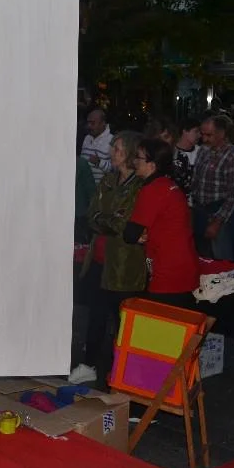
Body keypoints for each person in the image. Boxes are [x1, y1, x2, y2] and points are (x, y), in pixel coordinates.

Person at [70, 131, 146, 386]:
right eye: (113, 148)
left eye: (118, 149)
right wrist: (107, 221)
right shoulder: (109, 180)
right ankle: (89, 365)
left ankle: (123, 371)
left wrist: (106, 221)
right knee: (96, 317)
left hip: (123, 264)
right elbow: (92, 214)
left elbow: (124, 224)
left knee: (122, 319)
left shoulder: (138, 186)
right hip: (99, 259)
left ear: (131, 154)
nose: (112, 153)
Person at [124, 139, 201, 306]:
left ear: (152, 165)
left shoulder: (153, 189)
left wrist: (139, 235)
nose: (134, 161)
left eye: (138, 157)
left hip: (168, 272)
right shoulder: (169, 185)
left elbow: (130, 234)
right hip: (184, 266)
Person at [191, 115, 234, 261]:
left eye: (209, 135)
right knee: (202, 258)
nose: (204, 139)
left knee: (222, 260)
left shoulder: (233, 157)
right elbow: (196, 181)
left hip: (220, 213)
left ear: (221, 134)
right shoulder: (203, 151)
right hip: (201, 211)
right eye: (203, 134)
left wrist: (217, 222)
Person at [81, 108, 113, 184]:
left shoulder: (112, 141)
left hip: (99, 188)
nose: (89, 126)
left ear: (103, 123)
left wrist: (99, 162)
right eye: (88, 123)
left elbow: (115, 169)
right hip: (83, 185)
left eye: (92, 123)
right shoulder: (87, 138)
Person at [172, 118, 200, 198]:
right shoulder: (171, 152)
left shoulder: (201, 152)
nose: (199, 135)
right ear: (184, 131)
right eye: (196, 131)